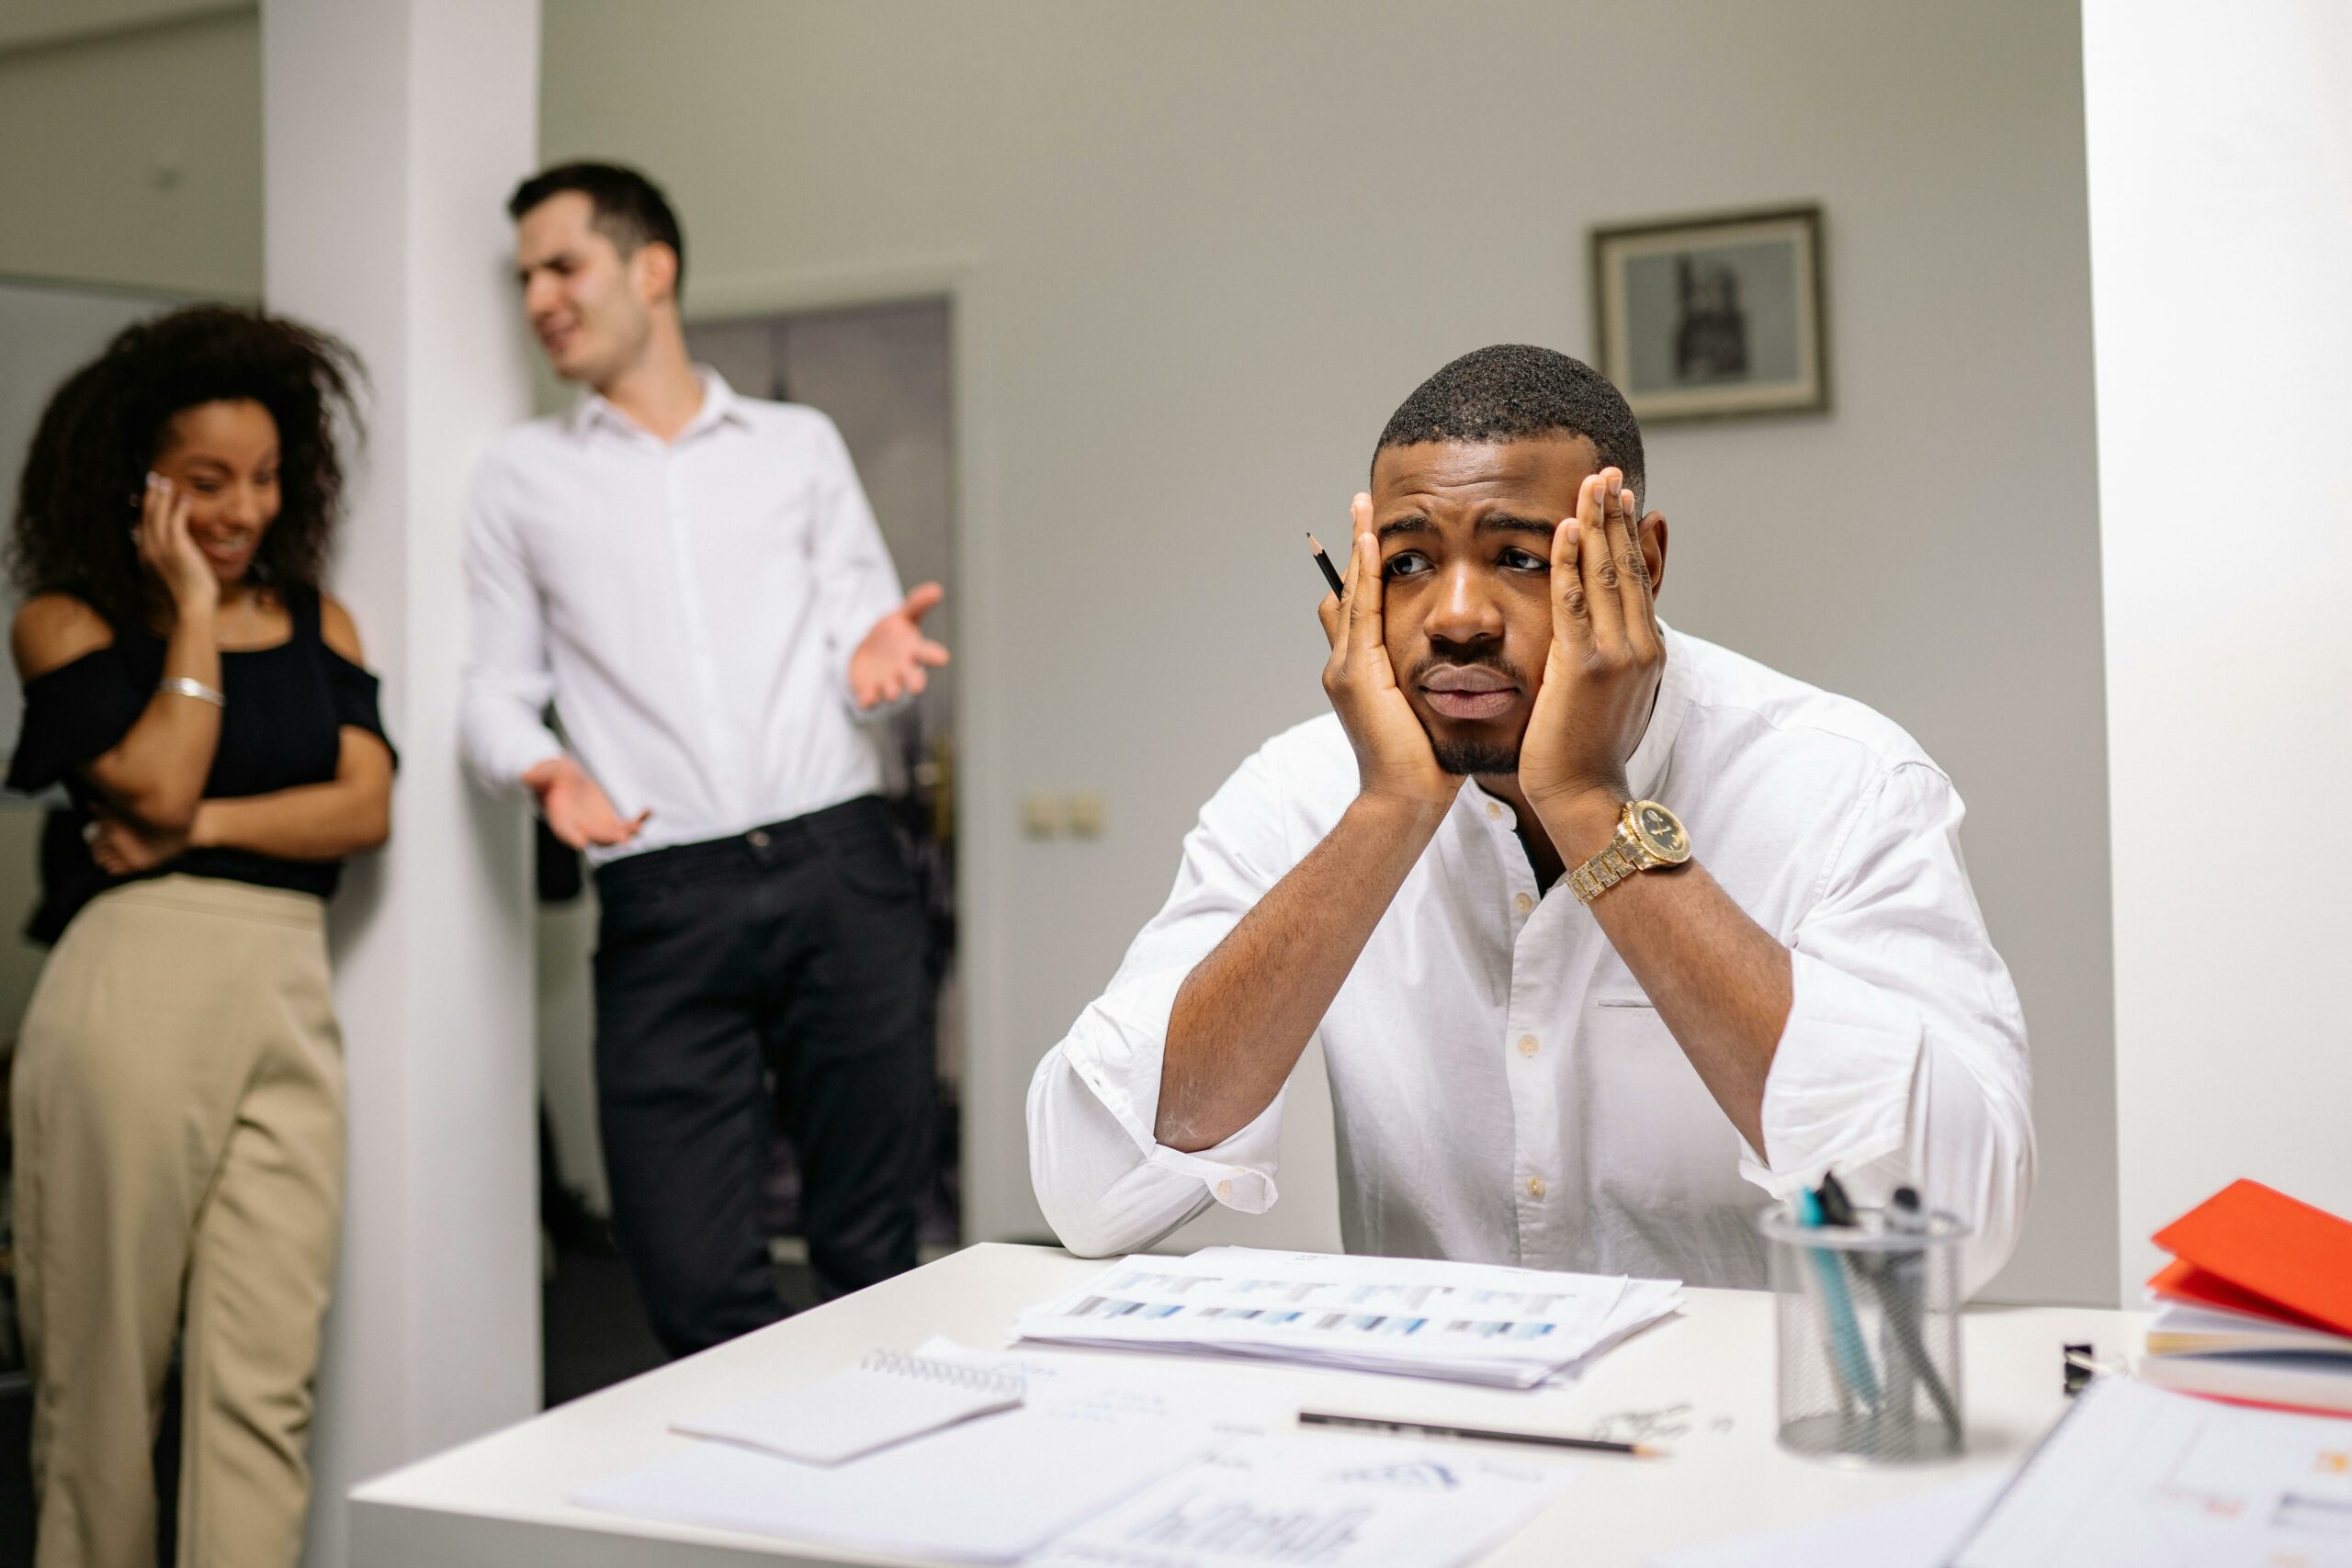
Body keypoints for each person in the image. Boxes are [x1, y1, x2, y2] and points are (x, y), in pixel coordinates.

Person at [1028, 344, 2032, 1294]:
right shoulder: (1297, 791)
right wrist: (1388, 812)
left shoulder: (1842, 785)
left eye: (1515, 556)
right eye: (1411, 563)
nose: (1457, 616)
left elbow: (1950, 1226)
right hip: (1431, 1436)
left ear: (1637, 560)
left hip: (1744, 1439)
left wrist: (1592, 807)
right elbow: (1090, 1193)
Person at [460, 163, 945, 1357]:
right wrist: (537, 765)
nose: (538, 298)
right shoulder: (518, 478)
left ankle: (882, 1520)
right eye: (524, 277)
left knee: (871, 1248)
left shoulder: (798, 445)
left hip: (843, 864)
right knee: (686, 1273)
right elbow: (492, 689)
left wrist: (872, 657)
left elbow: (859, 629)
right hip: (663, 896)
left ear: (651, 268)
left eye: (562, 265)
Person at [6, 306, 393, 1568]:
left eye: (267, 478)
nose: (242, 510)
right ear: (143, 480)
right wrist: (186, 600)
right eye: (208, 481)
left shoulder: (319, 619)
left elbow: (365, 802)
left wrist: (205, 821)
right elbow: (156, 782)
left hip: (288, 989)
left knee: (263, 1385)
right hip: (133, 991)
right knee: (104, 1395)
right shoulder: (68, 621)